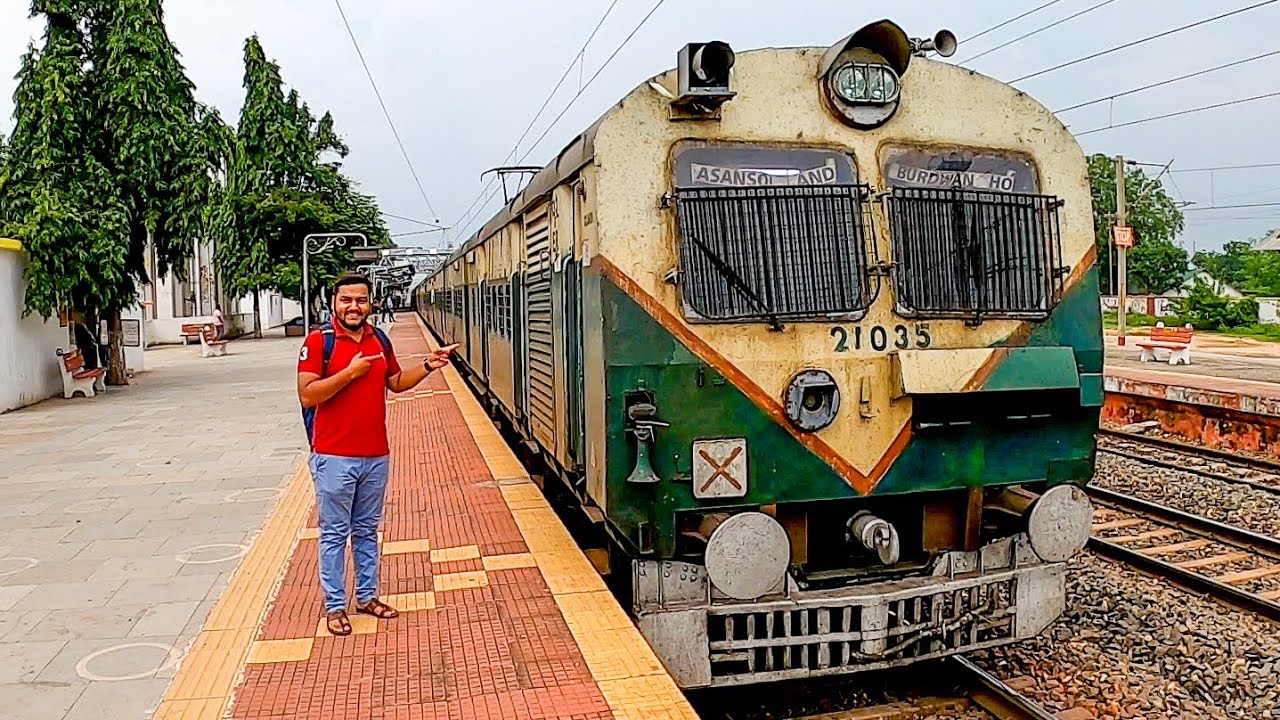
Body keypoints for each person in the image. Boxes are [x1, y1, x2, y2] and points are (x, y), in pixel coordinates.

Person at [297, 272, 457, 636]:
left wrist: (429, 365)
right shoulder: (318, 342)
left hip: (375, 455)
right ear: (334, 302)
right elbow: (308, 395)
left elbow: (396, 383)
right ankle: (335, 606)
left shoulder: (378, 338)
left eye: (361, 300)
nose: (354, 307)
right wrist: (350, 373)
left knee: (367, 531)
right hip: (334, 456)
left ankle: (367, 597)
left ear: (371, 303)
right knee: (335, 533)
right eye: (346, 300)